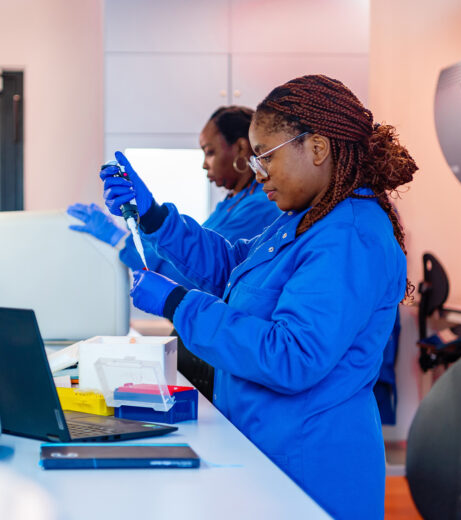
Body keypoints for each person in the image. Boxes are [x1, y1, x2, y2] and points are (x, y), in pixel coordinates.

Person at [100, 75, 417, 520]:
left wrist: (177, 304)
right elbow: (233, 267)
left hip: (310, 469)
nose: (257, 173)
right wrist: (154, 218)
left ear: (318, 148)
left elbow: (292, 355)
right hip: (269, 448)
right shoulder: (307, 219)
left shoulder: (348, 234)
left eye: (265, 158)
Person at [68, 106, 284, 398]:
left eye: (209, 151)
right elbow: (210, 259)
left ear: (241, 149)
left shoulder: (261, 206)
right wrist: (149, 216)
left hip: (220, 342)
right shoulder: (232, 202)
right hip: (206, 335)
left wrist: (122, 239)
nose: (204, 165)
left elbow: (199, 275)